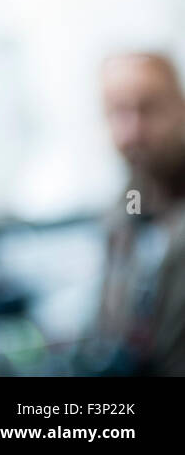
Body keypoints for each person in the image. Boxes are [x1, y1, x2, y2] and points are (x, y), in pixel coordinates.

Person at [88, 51, 185, 375]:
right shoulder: (125, 210)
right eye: (118, 112)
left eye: (148, 108)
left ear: (180, 107)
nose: (133, 132)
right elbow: (106, 333)